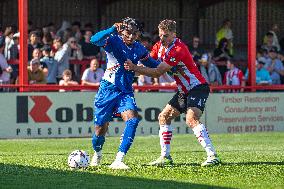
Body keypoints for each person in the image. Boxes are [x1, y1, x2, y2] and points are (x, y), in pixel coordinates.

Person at [124, 19, 220, 167]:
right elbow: (147, 63)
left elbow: (157, 72)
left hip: (198, 87)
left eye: (166, 36)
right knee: (163, 117)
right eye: (160, 35)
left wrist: (134, 68)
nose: (162, 39)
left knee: (191, 119)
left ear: (174, 34)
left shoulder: (178, 48)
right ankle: (165, 157)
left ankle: (212, 155)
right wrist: (130, 69)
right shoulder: (159, 46)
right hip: (184, 90)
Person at [89, 17, 160, 169]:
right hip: (107, 90)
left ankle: (118, 160)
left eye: (135, 33)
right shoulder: (113, 40)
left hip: (125, 91)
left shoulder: (139, 48)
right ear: (122, 31)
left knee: (133, 120)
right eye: (128, 32)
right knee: (100, 129)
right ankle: (98, 153)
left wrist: (171, 67)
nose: (131, 36)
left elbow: (153, 65)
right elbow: (93, 40)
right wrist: (112, 29)